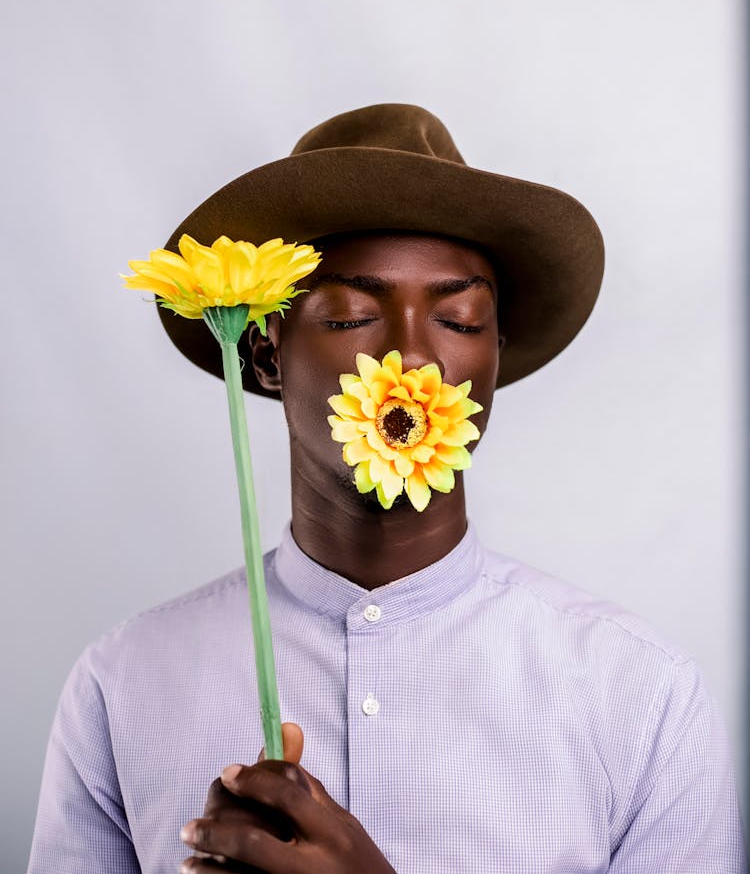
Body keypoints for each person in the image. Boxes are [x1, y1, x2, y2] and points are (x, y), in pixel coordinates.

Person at [29, 104, 748, 873]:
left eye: (460, 319)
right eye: (351, 316)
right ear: (265, 355)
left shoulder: (643, 696)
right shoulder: (121, 686)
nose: (410, 360)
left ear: (495, 357)